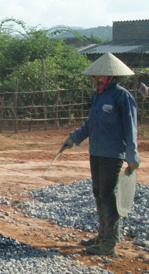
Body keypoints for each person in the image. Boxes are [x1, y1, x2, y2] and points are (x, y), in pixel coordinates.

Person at [62, 52, 140, 256]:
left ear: (109, 76)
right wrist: (74, 138)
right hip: (96, 152)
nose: (94, 79)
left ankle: (109, 243)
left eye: (98, 76)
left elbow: (130, 128)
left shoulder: (122, 96)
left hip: (112, 154)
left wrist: (132, 156)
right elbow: (90, 124)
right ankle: (102, 235)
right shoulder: (98, 95)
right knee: (99, 193)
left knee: (108, 195)